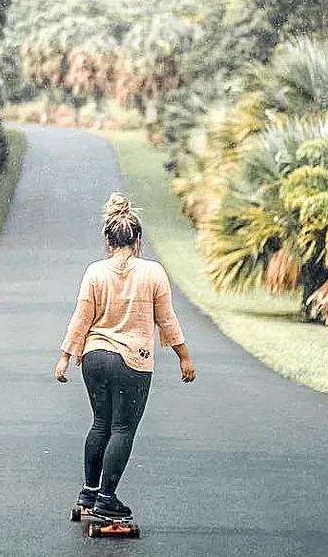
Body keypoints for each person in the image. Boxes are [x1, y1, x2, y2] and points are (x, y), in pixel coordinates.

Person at [54, 192, 196, 520]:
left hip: (93, 357)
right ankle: (106, 499)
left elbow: (81, 317)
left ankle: (89, 494)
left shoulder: (94, 272)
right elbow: (167, 319)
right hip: (132, 360)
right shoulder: (153, 273)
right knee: (122, 429)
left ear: (108, 239)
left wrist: (65, 356)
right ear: (138, 239)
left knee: (100, 424)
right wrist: (184, 357)